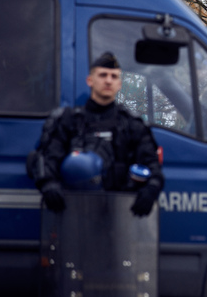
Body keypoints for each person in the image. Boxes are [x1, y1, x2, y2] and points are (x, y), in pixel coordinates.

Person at [33, 52, 164, 216]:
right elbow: (46, 158)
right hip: (72, 214)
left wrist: (151, 188)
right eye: (103, 75)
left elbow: (152, 165)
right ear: (90, 80)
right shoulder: (68, 121)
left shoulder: (132, 125)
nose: (108, 80)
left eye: (114, 76)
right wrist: (49, 184)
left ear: (119, 84)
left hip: (120, 215)